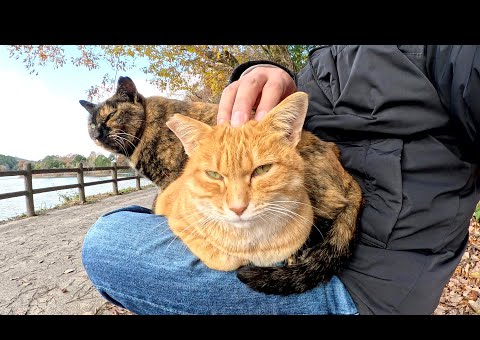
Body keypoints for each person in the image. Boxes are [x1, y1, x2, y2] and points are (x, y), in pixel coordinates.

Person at [82, 45, 480, 315]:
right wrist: (268, 73)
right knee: (132, 221)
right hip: (295, 202)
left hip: (369, 273)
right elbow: (304, 114)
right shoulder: (327, 51)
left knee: (105, 241)